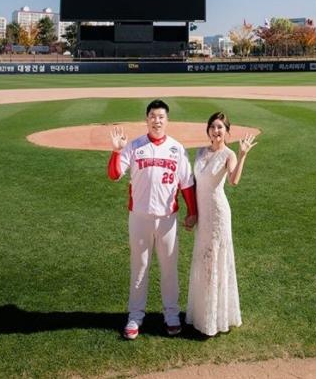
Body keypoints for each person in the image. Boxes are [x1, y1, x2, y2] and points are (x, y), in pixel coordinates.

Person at [107, 99, 197, 340]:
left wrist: (192, 211)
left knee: (169, 269)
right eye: (153, 116)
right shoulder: (135, 146)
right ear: (146, 119)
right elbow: (114, 175)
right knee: (140, 269)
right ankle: (135, 317)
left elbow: (187, 184)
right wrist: (116, 150)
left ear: (167, 120)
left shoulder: (177, 149)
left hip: (168, 219)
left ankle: (171, 315)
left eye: (161, 117)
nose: (157, 120)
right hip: (139, 218)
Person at [186, 111, 257, 336]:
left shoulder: (229, 154)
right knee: (204, 261)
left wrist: (243, 154)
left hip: (218, 214)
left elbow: (234, 180)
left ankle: (216, 317)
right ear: (208, 130)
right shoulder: (199, 152)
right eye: (213, 127)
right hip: (203, 215)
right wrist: (193, 213)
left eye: (221, 128)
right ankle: (202, 312)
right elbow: (194, 184)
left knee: (216, 260)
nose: (216, 131)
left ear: (227, 132)